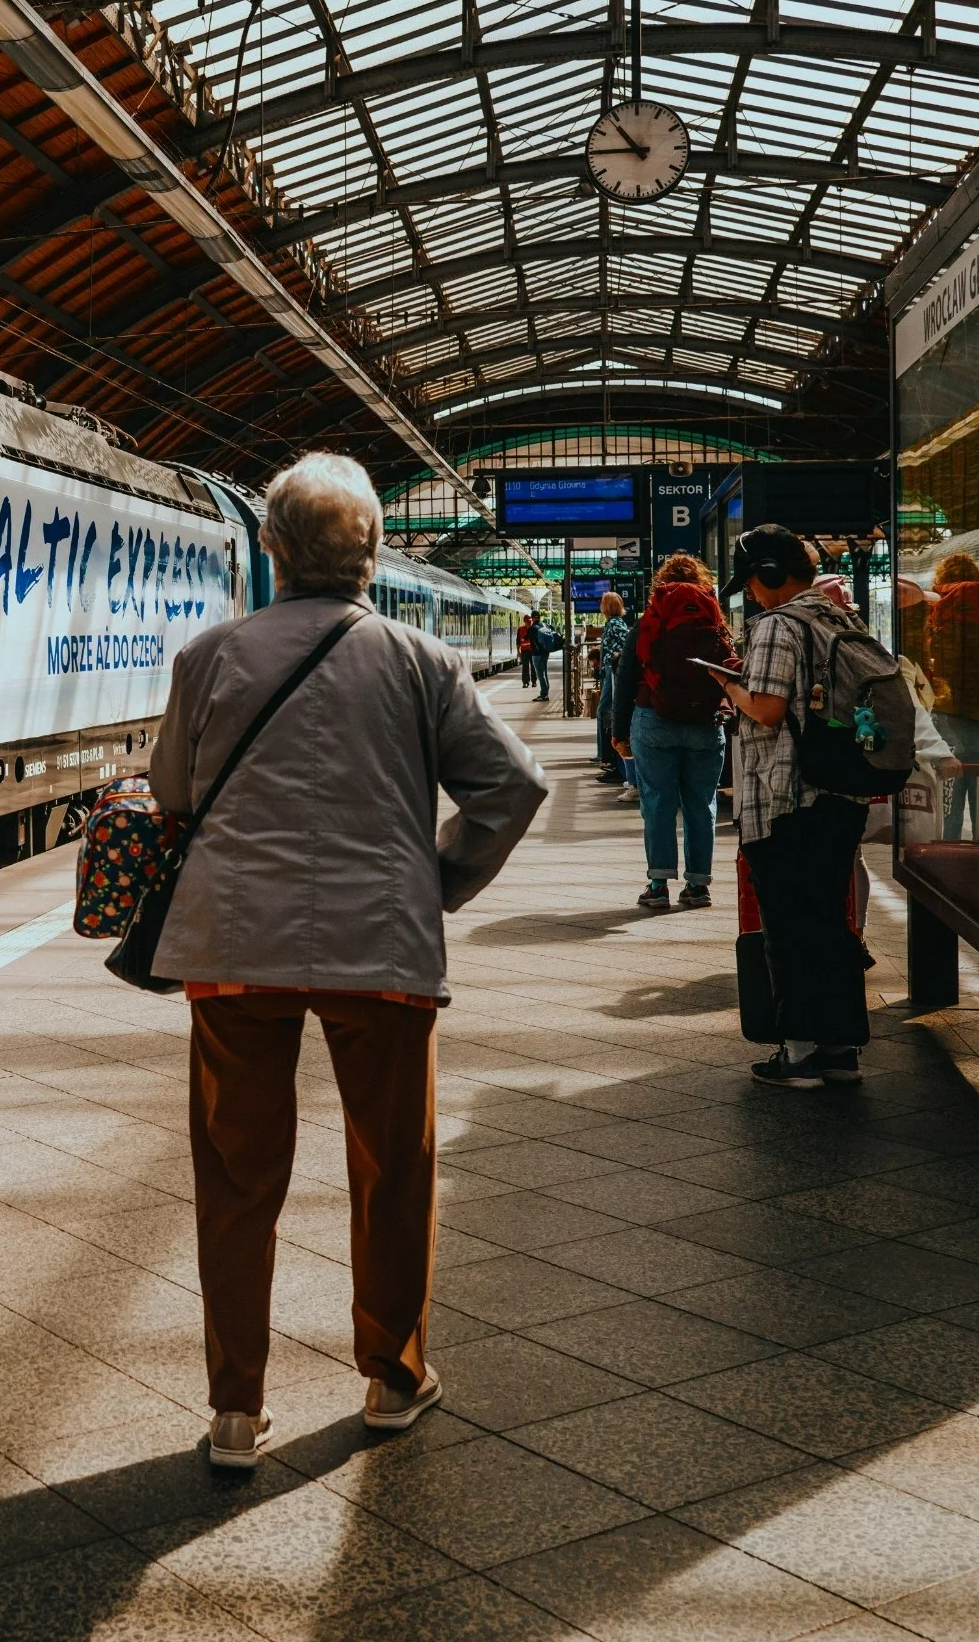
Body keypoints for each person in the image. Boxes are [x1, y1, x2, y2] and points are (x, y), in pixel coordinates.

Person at [149, 452, 547, 1468]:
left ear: (272, 548)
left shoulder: (209, 655)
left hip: (235, 948)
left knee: (236, 1176)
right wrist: (435, 880)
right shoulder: (421, 659)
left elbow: (173, 795)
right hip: (381, 947)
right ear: (368, 552)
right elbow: (512, 786)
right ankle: (391, 1375)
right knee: (392, 1165)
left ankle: (234, 1408)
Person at [708, 525, 873, 1088]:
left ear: (772, 576)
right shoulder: (838, 618)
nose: (751, 592)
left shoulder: (779, 625)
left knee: (789, 924)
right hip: (839, 794)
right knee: (830, 919)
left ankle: (798, 1052)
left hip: (786, 798)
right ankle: (840, 1047)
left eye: (752, 581)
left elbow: (770, 710)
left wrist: (729, 688)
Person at [612, 553, 736, 911]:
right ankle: (698, 887)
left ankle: (658, 884)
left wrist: (619, 731)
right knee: (701, 803)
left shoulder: (650, 620)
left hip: (653, 719)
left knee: (657, 802)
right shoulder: (713, 619)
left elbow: (624, 678)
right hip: (705, 724)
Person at [924, 551, 979, 839]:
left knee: (949, 806)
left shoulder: (938, 607)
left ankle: (945, 870)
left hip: (949, 717)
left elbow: (934, 663)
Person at [595, 591, 631, 782]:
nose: (600, 605)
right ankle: (606, 756)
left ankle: (608, 757)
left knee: (605, 711)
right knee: (604, 712)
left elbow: (626, 645)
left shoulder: (616, 625)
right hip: (609, 670)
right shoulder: (613, 624)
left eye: (602, 602)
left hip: (613, 670)